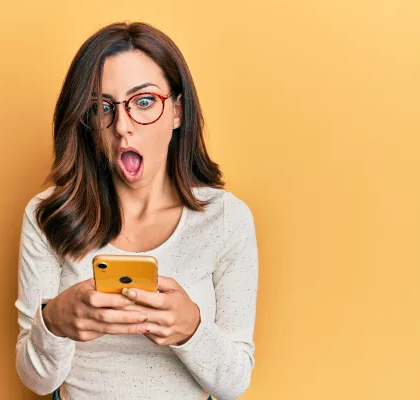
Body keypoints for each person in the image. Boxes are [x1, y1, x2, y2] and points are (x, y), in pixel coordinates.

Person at [14, 21, 259, 400]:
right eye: (102, 108)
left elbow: (234, 383)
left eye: (144, 102)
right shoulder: (49, 215)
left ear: (177, 111)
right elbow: (37, 380)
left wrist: (192, 329)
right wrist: (54, 322)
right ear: (87, 122)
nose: (122, 127)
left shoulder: (226, 219)